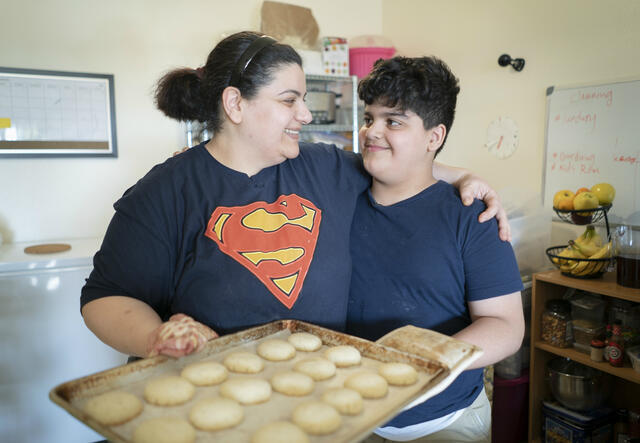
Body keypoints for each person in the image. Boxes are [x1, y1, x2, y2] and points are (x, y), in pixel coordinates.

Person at [80, 31, 510, 360]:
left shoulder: (324, 168)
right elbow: (105, 297)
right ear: (235, 104)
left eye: (303, 100)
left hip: (322, 399)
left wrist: (469, 176)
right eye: (290, 100)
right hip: (216, 400)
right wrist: (155, 336)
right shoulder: (166, 190)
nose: (305, 114)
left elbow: (401, 165)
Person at [346, 56, 524, 442]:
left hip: (445, 420)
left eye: (393, 121)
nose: (372, 131)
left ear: (434, 137)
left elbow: (507, 326)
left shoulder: (470, 215)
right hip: (352, 414)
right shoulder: (341, 195)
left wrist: (420, 361)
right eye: (369, 117)